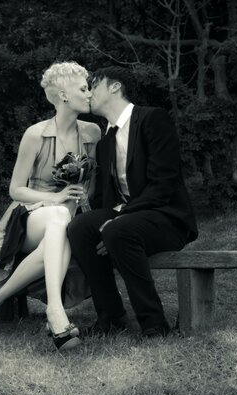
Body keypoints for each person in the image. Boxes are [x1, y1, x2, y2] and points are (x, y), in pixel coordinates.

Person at [0, 61, 100, 350]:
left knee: (60, 228)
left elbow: (92, 184)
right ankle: (56, 309)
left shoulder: (92, 133)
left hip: (68, 219)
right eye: (84, 89)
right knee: (59, 216)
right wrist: (55, 198)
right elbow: (16, 190)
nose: (90, 94)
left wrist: (84, 194)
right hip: (29, 216)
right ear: (63, 95)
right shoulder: (35, 134)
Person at [67, 66, 198, 338]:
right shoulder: (106, 141)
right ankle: (111, 317)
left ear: (115, 87)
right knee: (80, 227)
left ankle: (153, 324)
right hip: (129, 220)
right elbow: (107, 199)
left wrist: (120, 216)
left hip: (167, 218)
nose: (88, 92)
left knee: (116, 229)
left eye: (94, 85)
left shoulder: (153, 119)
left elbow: (163, 184)